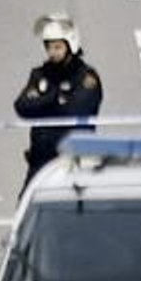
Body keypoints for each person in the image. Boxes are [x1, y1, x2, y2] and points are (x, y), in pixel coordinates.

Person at [13, 14, 102, 190]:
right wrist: (54, 99)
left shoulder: (86, 77)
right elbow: (22, 106)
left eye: (57, 47)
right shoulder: (40, 75)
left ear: (71, 45)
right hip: (42, 161)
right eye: (48, 47)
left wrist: (43, 102)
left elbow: (76, 110)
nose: (52, 53)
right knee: (27, 208)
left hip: (74, 160)